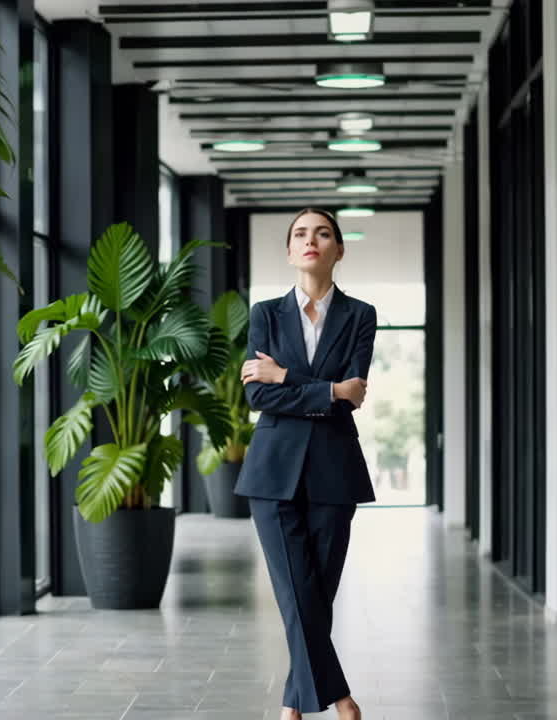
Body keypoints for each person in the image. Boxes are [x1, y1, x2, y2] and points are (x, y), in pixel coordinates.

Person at [234, 208, 378, 720]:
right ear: (290, 250)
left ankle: (294, 704)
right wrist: (327, 389)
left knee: (315, 596)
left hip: (335, 471)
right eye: (300, 233)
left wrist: (286, 376)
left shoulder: (361, 315)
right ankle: (341, 700)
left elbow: (354, 394)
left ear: (339, 248)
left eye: (322, 233)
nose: (310, 240)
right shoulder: (264, 314)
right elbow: (258, 397)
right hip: (272, 473)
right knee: (297, 592)